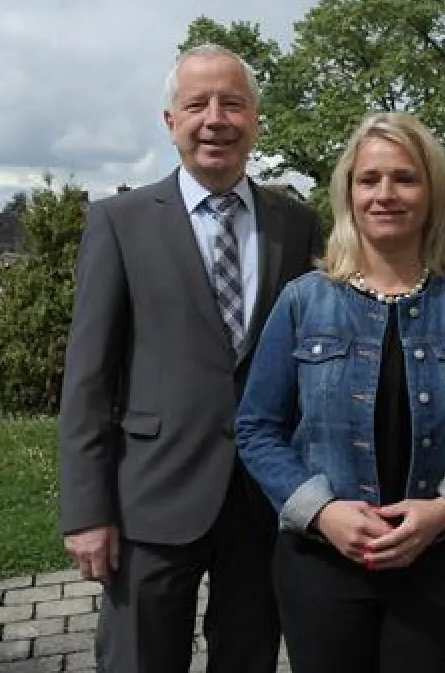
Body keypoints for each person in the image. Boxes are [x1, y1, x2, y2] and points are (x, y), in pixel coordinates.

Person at [58, 43, 323, 673]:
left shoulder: (296, 224)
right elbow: (88, 377)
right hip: (151, 496)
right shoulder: (120, 222)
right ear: (170, 121)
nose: (215, 119)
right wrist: (87, 512)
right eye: (197, 104)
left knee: (249, 656)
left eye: (232, 103)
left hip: (262, 500)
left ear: (255, 119)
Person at [236, 111, 445, 673]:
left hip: (431, 563)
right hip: (321, 563)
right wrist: (321, 512)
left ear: (432, 191)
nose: (386, 194)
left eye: (405, 178)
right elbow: (257, 428)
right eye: (369, 179)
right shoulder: (303, 302)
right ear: (349, 193)